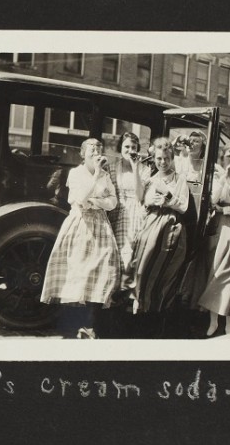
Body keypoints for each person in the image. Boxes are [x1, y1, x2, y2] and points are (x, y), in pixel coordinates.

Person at [39, 138, 119, 339]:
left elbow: (113, 202)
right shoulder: (75, 174)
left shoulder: (105, 175)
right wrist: (95, 189)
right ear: (83, 154)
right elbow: (80, 198)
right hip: (80, 225)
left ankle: (91, 324)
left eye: (99, 149)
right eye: (92, 150)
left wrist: (95, 200)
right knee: (81, 272)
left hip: (100, 225)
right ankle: (80, 324)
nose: (96, 153)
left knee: (104, 270)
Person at [183, 143, 230, 336]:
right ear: (223, 159)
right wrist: (225, 177)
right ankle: (213, 321)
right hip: (219, 228)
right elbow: (213, 200)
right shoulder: (219, 179)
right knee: (215, 273)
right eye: (228, 156)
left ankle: (229, 324)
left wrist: (227, 210)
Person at [128, 139, 190, 334]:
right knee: (142, 264)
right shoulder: (152, 179)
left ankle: (159, 313)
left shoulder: (179, 179)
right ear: (154, 159)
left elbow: (184, 206)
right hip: (151, 223)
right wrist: (151, 200)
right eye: (159, 159)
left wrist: (167, 198)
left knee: (164, 270)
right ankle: (142, 309)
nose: (162, 162)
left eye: (166, 159)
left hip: (170, 226)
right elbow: (142, 200)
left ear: (172, 159)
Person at [109, 132, 150, 278]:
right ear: (120, 147)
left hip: (134, 213)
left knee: (128, 253)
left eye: (133, 147)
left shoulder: (144, 170)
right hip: (115, 210)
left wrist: (135, 168)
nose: (130, 150)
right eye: (126, 146)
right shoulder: (112, 168)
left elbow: (139, 196)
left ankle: (124, 291)